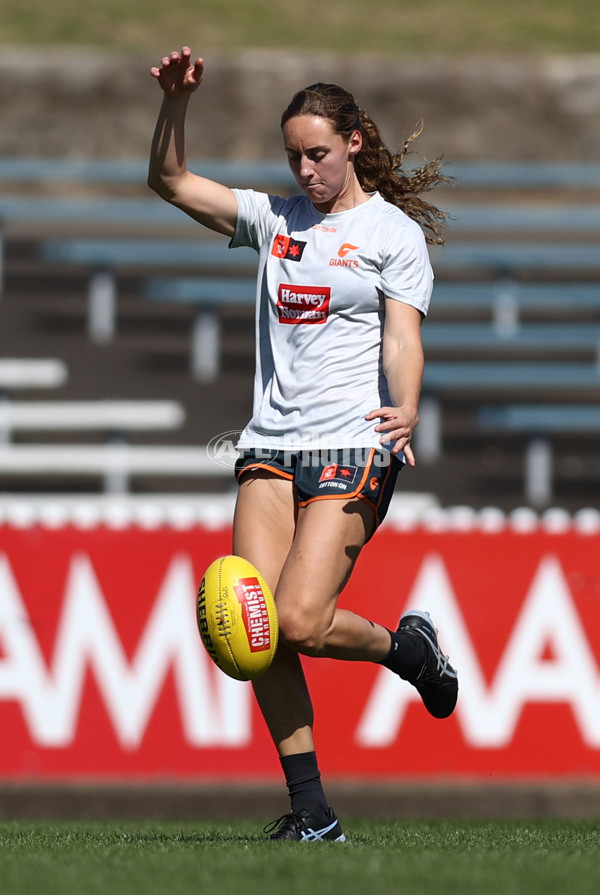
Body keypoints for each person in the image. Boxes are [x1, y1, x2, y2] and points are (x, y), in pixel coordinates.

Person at [149, 47, 458, 843]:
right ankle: (312, 812)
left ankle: (406, 651)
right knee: (257, 637)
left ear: (354, 141)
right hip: (268, 446)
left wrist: (408, 407)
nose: (305, 168)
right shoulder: (274, 218)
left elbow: (402, 340)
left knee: (297, 621)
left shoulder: (392, 234)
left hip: (352, 446)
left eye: (317, 153)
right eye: (293, 155)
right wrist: (175, 105)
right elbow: (171, 182)